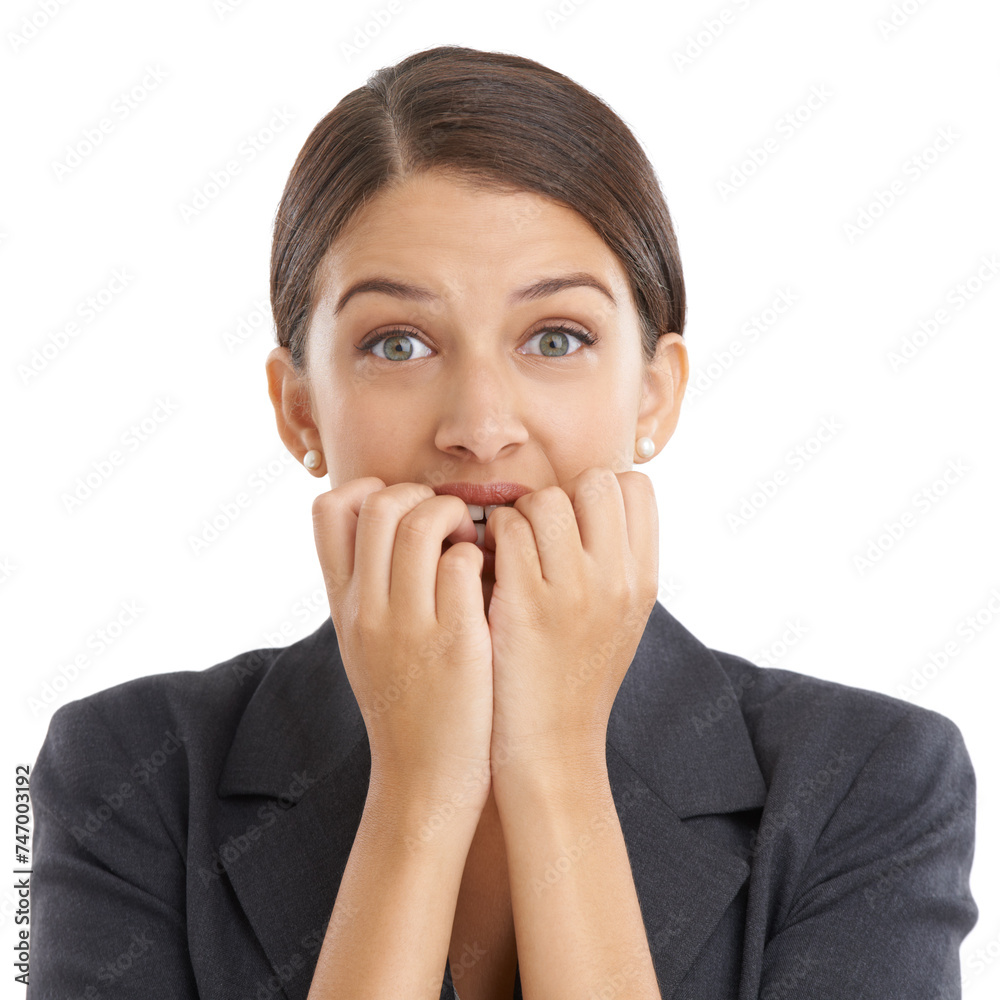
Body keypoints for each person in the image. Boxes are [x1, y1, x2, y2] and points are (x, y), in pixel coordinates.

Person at [28, 44, 976, 1000]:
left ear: (655, 396)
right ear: (300, 411)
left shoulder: (871, 782)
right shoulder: (125, 775)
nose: (481, 428)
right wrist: (416, 797)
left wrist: (557, 765)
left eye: (554, 338)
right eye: (397, 343)